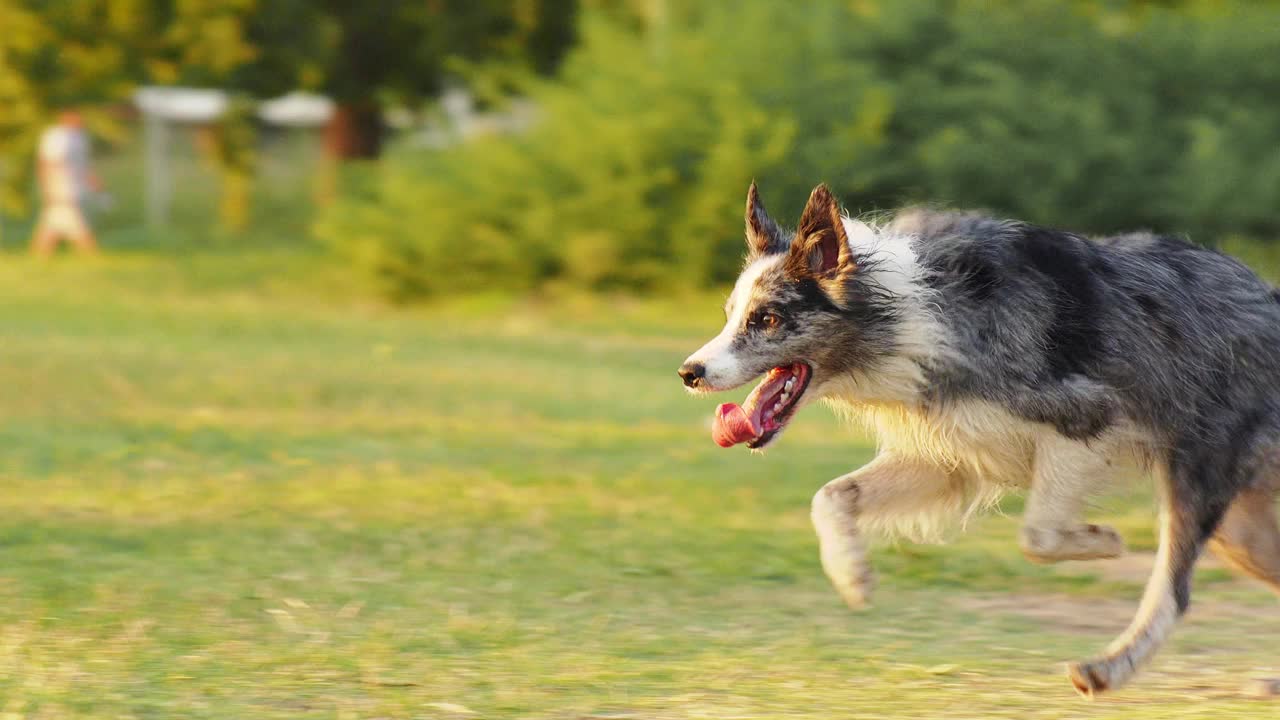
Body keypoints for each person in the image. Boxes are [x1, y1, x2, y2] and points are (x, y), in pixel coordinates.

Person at [30, 110, 102, 256]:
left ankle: (37, 258)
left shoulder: (79, 137)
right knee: (76, 226)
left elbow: (81, 165)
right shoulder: (56, 137)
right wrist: (48, 189)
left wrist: (92, 180)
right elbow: (46, 164)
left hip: (74, 189)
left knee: (51, 226)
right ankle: (92, 257)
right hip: (60, 189)